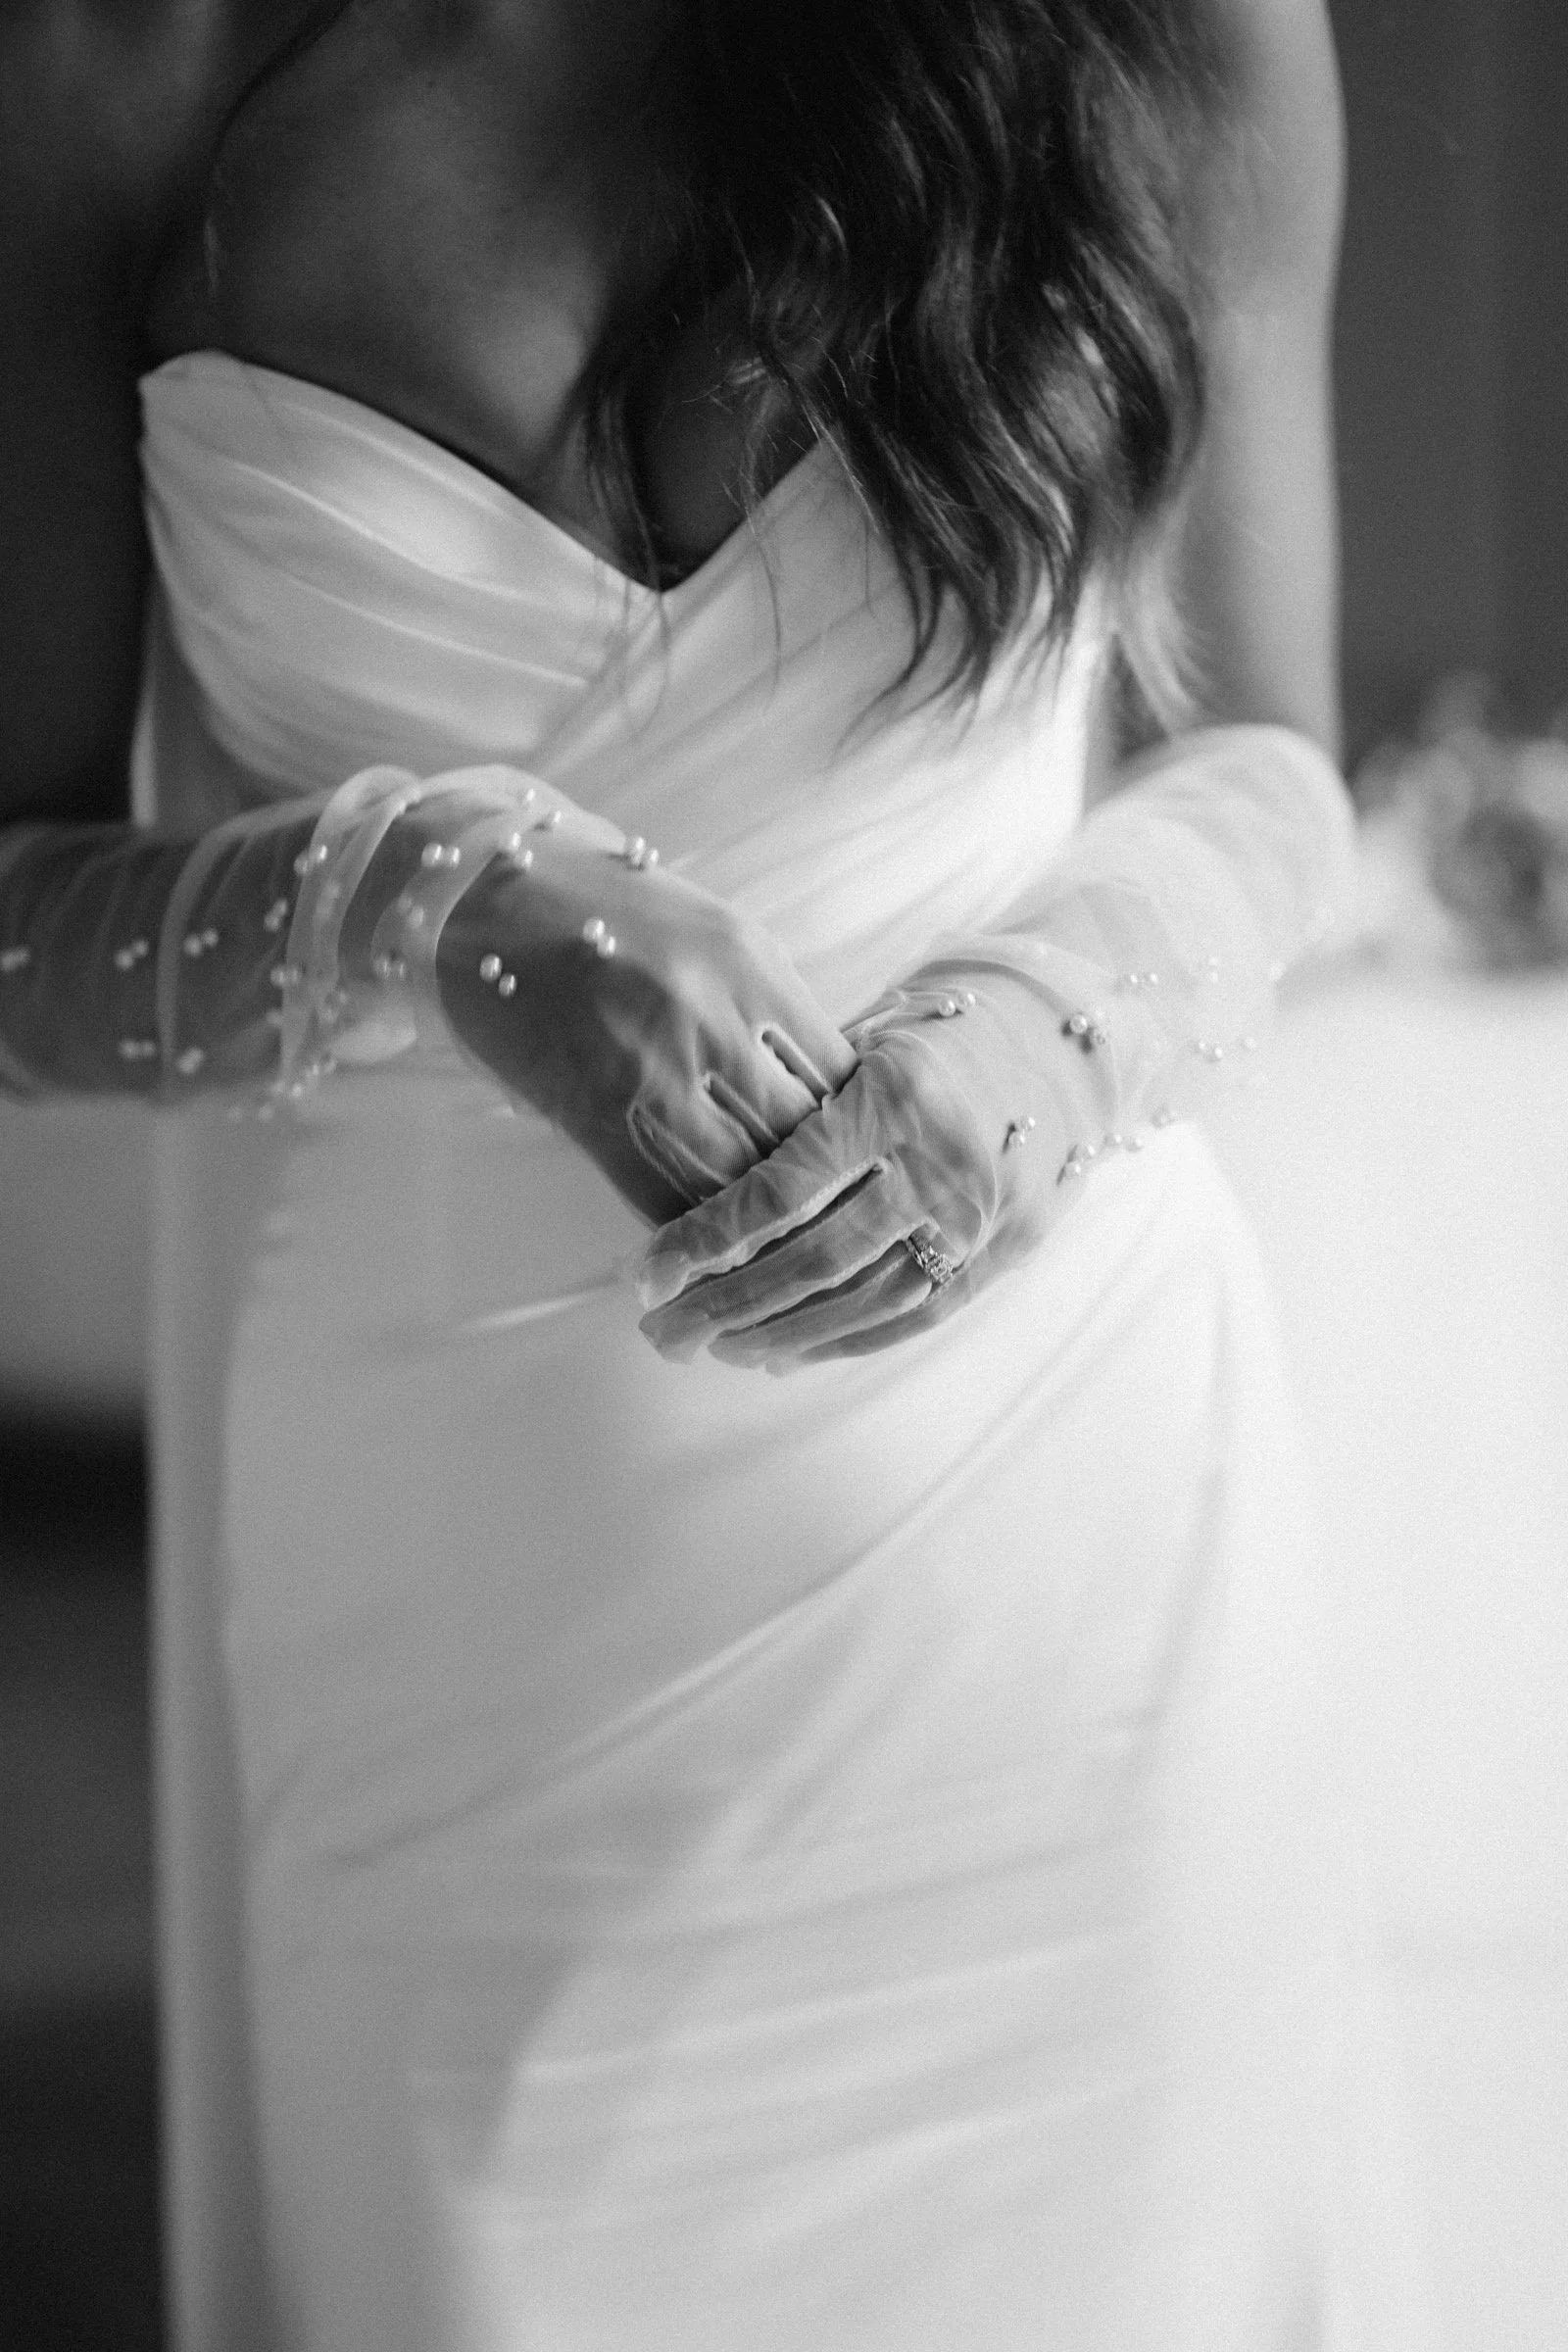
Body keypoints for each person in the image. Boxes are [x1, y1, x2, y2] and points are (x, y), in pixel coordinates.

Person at [1, 0, 1412, 2344]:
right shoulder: (122, 68)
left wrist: (1051, 1020)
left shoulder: (1169, 32)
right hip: (459, 1621)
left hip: (1051, 1548)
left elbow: (1264, 759)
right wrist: (422, 894)